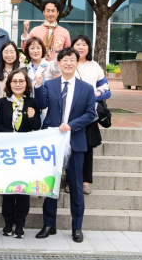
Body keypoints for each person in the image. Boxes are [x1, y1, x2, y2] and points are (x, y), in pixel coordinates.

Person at [33, 47, 96, 243]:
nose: (68, 63)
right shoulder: (49, 84)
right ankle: (49, 225)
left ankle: (77, 227)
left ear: (77, 63)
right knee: (50, 185)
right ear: (58, 63)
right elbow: (40, 105)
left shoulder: (87, 88)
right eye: (65, 60)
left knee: (76, 186)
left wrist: (71, 125)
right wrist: (37, 84)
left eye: (72, 60)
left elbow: (91, 114)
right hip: (52, 142)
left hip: (75, 141)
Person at [0, 69, 41, 238]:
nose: (18, 84)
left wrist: (32, 117)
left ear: (26, 84)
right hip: (7, 153)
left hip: (25, 154)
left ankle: (20, 225)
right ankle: (8, 224)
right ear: (9, 84)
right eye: (14, 81)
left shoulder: (32, 102)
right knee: (8, 190)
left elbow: (37, 126)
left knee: (23, 190)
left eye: (21, 81)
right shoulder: (2, 102)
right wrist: (10, 134)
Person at [71, 35, 111, 195]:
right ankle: (71, 180)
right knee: (70, 147)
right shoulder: (68, 63)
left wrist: (95, 95)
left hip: (89, 114)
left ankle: (85, 181)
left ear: (89, 48)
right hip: (70, 113)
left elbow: (106, 90)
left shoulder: (95, 66)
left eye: (84, 44)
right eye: (77, 44)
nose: (81, 47)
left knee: (87, 147)